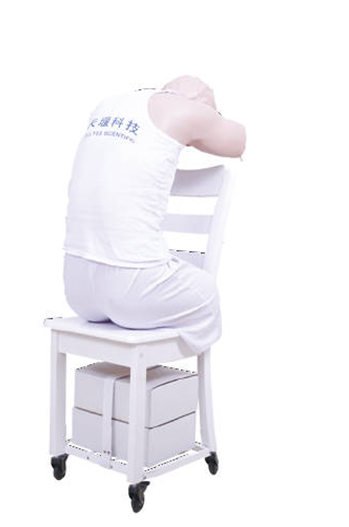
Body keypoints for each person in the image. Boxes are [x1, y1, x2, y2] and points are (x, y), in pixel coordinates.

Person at [61, 75, 246, 355]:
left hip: (77, 288)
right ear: (200, 101)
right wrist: (208, 121)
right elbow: (238, 142)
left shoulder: (106, 105)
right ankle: (159, 369)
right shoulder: (189, 109)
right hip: (135, 287)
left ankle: (132, 369)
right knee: (207, 293)